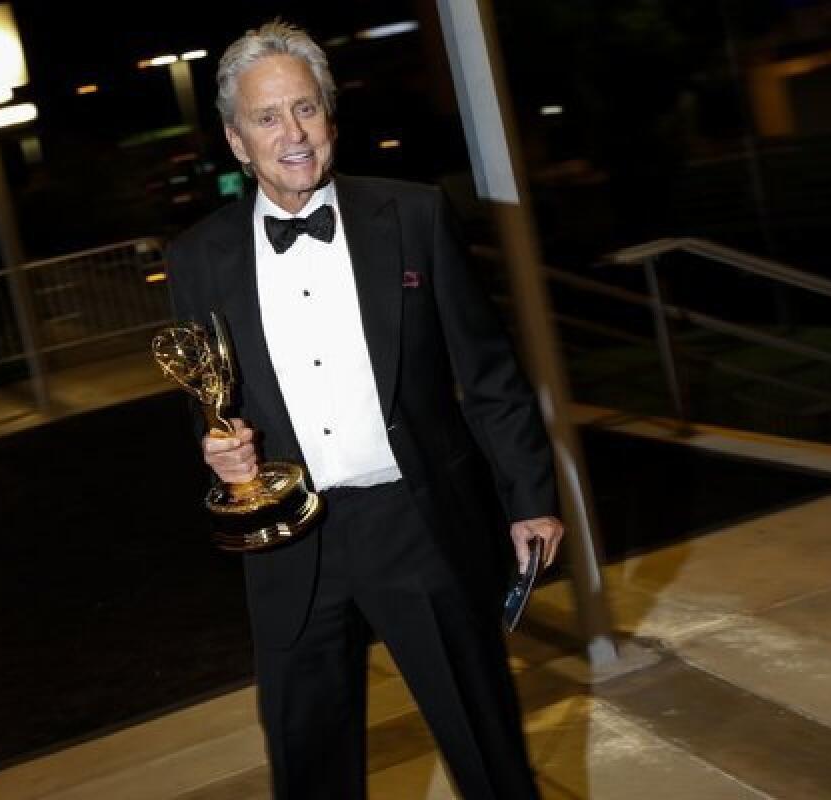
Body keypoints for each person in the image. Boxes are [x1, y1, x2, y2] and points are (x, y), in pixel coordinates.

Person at [166, 20, 563, 799]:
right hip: (287, 544)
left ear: (331, 118)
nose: (293, 133)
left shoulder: (412, 217)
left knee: (486, 753)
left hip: (415, 521)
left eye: (306, 109)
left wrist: (530, 499)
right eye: (268, 117)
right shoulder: (196, 258)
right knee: (309, 762)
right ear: (237, 140)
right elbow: (208, 401)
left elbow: (488, 373)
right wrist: (218, 449)